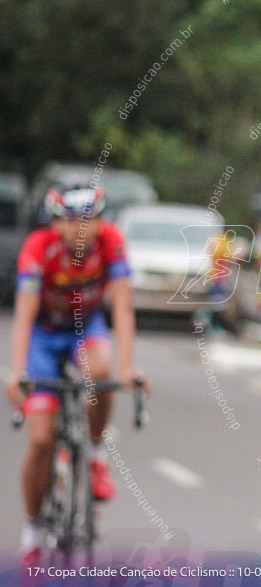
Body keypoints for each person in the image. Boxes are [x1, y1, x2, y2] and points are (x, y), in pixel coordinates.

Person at [4, 184, 145, 567]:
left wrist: (128, 367)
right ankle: (33, 531)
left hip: (87, 330)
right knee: (40, 441)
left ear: (102, 221)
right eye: (71, 221)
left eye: (90, 219)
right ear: (56, 222)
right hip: (45, 338)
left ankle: (96, 453)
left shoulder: (112, 242)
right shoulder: (38, 248)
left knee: (102, 371)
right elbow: (25, 312)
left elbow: (123, 305)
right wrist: (17, 371)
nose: (81, 229)